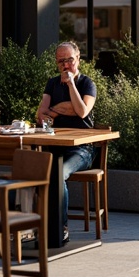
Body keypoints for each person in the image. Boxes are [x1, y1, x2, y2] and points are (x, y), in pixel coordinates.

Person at [36, 41, 96, 243]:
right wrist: (60, 108)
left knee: (58, 173)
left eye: (69, 60)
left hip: (81, 149)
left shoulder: (87, 84)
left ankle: (60, 227)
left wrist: (70, 85)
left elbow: (81, 111)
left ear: (78, 59)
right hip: (54, 145)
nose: (66, 65)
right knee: (31, 169)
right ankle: (34, 225)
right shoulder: (52, 83)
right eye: (61, 61)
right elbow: (41, 115)